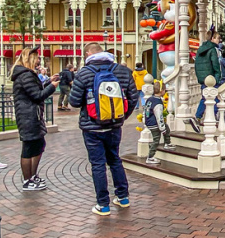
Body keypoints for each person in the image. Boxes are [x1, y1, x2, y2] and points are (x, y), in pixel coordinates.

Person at [69, 42, 137, 216]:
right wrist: (122, 116)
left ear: (87, 54)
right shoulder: (122, 70)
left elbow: (74, 102)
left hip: (92, 127)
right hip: (114, 126)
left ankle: (103, 204)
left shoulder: (84, 73)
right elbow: (133, 97)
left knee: (98, 164)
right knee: (114, 159)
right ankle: (123, 197)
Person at [11, 48, 59, 191]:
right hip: (29, 116)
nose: (39, 61)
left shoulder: (26, 75)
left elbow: (34, 91)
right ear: (30, 59)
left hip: (31, 115)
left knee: (38, 144)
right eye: (37, 58)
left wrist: (48, 82)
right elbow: (37, 96)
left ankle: (32, 176)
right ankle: (27, 180)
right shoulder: (26, 75)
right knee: (29, 147)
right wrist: (52, 87)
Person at [188, 30, 222, 134]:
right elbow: (215, 65)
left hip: (203, 78)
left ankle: (199, 117)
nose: (219, 40)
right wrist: (217, 78)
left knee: (205, 98)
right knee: (214, 98)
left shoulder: (200, 49)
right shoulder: (212, 50)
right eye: (217, 38)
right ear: (212, 39)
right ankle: (211, 117)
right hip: (211, 78)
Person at [144, 82, 174, 164]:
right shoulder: (158, 103)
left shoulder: (150, 99)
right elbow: (159, 116)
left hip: (148, 122)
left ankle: (167, 143)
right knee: (156, 140)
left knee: (166, 127)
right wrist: (162, 128)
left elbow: (145, 110)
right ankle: (150, 157)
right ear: (162, 91)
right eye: (165, 90)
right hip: (154, 123)